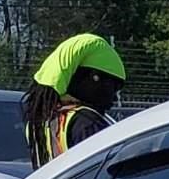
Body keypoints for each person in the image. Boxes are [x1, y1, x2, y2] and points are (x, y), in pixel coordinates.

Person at [22, 34, 127, 168]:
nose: (114, 98)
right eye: (112, 87)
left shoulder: (42, 121)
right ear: (92, 78)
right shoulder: (86, 123)